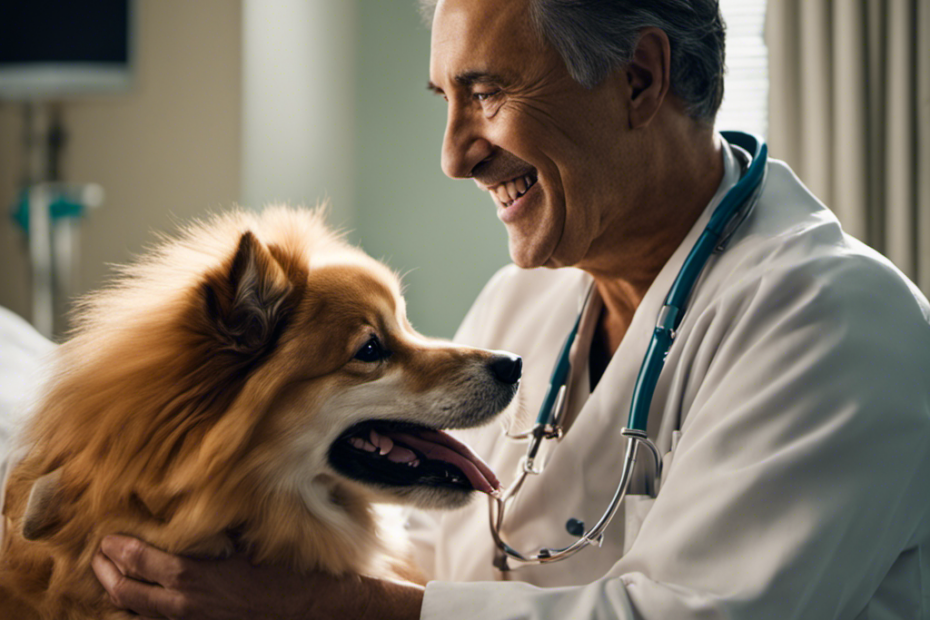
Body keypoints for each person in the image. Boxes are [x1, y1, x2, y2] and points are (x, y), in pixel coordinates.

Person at [92, 0, 930, 618]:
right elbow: (428, 552)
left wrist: (321, 609)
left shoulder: (834, 321)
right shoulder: (523, 299)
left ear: (639, 79)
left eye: (486, 93)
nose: (455, 155)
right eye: (444, 100)